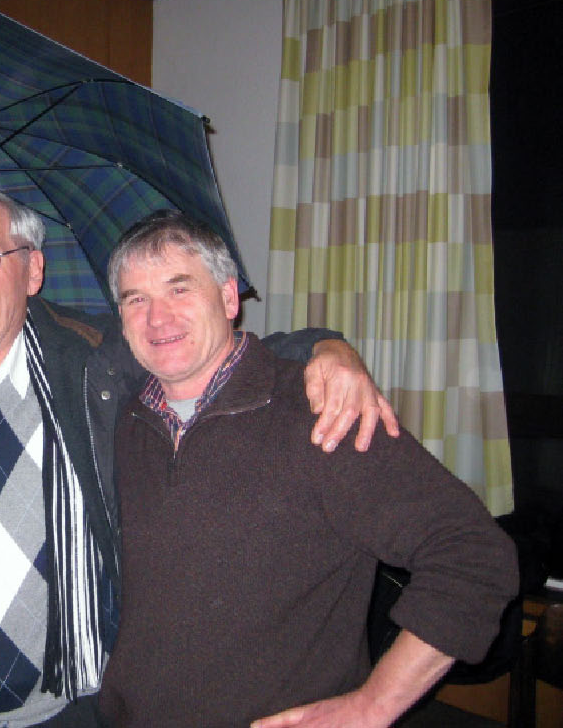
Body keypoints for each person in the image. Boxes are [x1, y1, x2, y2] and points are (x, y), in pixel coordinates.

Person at [0, 184, 399, 728]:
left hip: (82, 699)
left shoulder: (96, 364)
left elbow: (216, 356)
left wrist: (328, 349)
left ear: (33, 271)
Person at [97, 211, 519, 728]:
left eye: (179, 289)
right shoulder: (125, 420)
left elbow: (475, 555)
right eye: (135, 299)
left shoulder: (321, 411)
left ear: (228, 298)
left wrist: (372, 705)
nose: (157, 318)